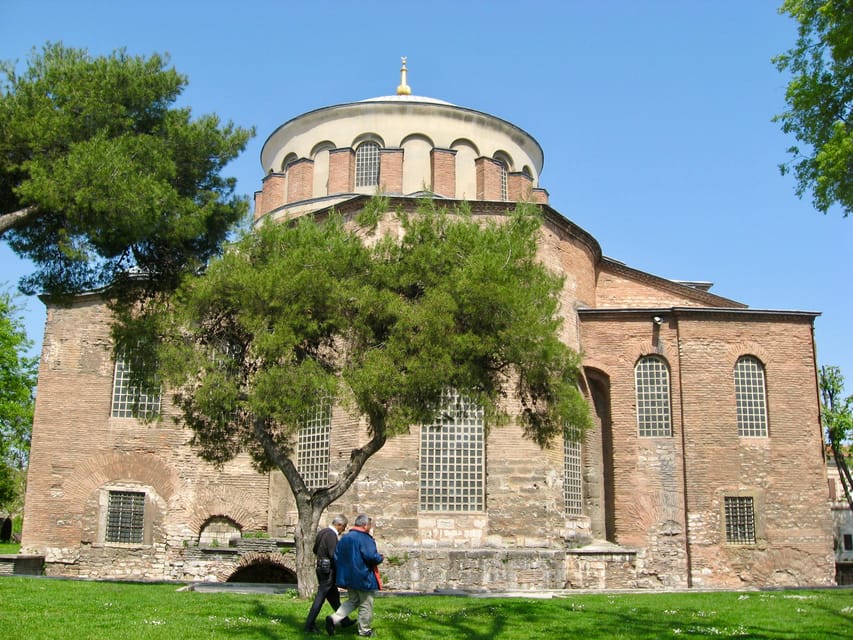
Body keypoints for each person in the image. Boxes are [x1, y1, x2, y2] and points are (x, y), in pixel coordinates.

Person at [325, 513, 384, 637]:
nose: (370, 527)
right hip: (363, 576)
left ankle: (334, 618)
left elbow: (336, 556)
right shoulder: (365, 538)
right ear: (364, 525)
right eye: (369, 524)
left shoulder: (345, 538)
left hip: (349, 576)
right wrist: (380, 558)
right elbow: (370, 556)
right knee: (366, 603)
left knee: (353, 600)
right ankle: (364, 630)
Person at [304, 514, 355, 633]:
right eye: (344, 527)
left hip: (321, 567)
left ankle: (344, 620)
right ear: (339, 525)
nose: (343, 530)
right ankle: (309, 625)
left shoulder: (322, 532)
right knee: (320, 597)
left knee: (333, 597)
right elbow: (334, 554)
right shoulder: (331, 535)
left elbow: (315, 549)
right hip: (328, 571)